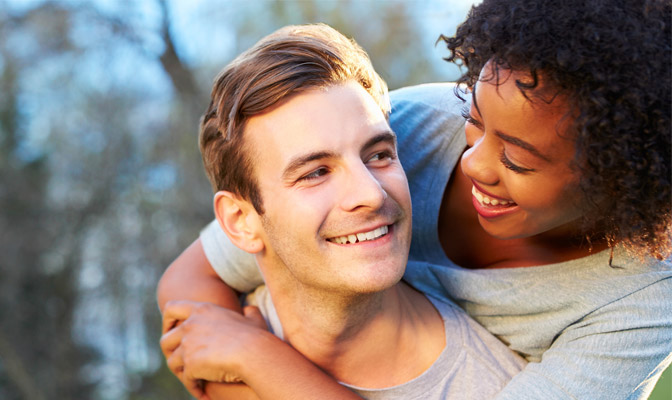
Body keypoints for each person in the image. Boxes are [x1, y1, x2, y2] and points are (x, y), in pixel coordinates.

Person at [158, 0, 672, 398]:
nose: (472, 163)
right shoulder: (409, 129)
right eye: (474, 122)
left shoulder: (643, 300)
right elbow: (192, 287)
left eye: (517, 159)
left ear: (620, 178)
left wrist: (261, 361)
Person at [159, 23, 524, 399]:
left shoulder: (501, 387)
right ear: (240, 221)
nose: (371, 193)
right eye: (315, 173)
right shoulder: (212, 341)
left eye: (379, 155)